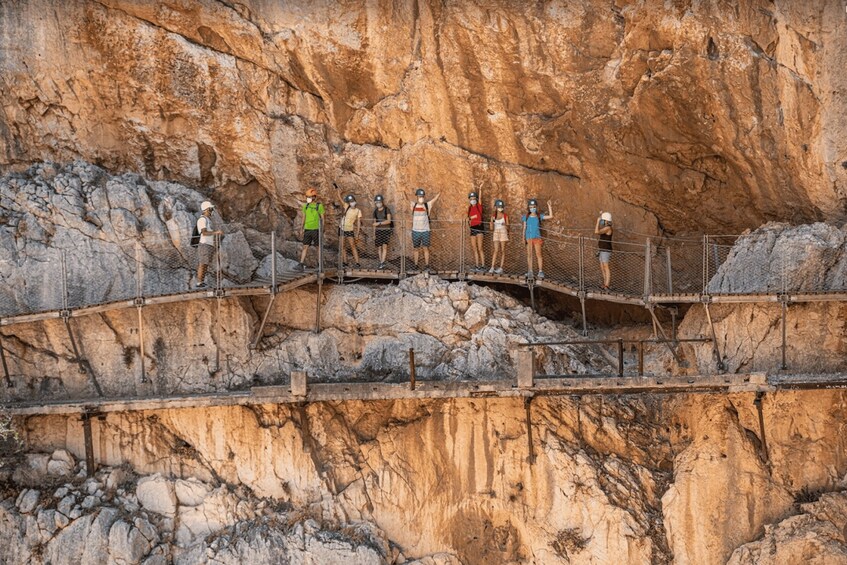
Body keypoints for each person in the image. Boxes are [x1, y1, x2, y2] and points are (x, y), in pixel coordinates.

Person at [522, 198, 554, 279]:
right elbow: (524, 228)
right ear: (528, 208)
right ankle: (530, 271)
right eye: (531, 207)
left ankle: (540, 271)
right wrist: (523, 238)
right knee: (529, 255)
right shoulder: (526, 216)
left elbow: (551, 216)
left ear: (536, 207)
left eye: (534, 206)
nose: (532, 208)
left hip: (537, 237)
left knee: (538, 254)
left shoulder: (539, 216)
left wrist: (549, 206)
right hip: (528, 237)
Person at [409, 188, 440, 272]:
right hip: (415, 230)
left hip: (425, 230)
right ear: (417, 197)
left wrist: (440, 192)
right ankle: (416, 265)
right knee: (416, 248)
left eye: (422, 196)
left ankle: (427, 265)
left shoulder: (427, 205)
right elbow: (406, 200)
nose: (421, 198)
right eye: (419, 196)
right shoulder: (414, 205)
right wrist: (403, 193)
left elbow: (434, 200)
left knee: (426, 248)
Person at [195, 200, 223, 288]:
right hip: (204, 244)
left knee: (205, 264)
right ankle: (199, 282)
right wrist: (216, 232)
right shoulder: (202, 220)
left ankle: (201, 281)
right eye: (211, 209)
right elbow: (204, 233)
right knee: (202, 263)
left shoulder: (207, 220)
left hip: (209, 245)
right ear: (206, 209)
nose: (212, 211)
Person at [297, 187, 325, 271]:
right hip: (307, 229)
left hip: (316, 229)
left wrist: (323, 228)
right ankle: (301, 264)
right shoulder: (305, 206)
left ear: (314, 197)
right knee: (305, 246)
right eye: (307, 197)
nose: (308, 198)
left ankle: (320, 264)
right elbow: (303, 217)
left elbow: (323, 218)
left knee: (318, 247)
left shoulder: (319, 206)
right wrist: (301, 228)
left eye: (309, 197)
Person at [336, 190, 362, 268]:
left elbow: (358, 222)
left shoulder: (358, 211)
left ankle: (357, 262)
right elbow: (339, 198)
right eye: (350, 201)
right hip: (342, 228)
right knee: (342, 246)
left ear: (355, 201)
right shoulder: (346, 207)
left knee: (352, 246)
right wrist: (338, 191)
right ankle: (345, 262)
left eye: (353, 201)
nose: (352, 202)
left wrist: (357, 233)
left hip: (350, 229)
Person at [372, 194, 393, 269]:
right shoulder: (375, 212)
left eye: (379, 202)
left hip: (386, 230)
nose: (378, 203)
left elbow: (389, 221)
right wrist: (374, 234)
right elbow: (374, 224)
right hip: (378, 231)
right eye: (377, 202)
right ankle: (381, 262)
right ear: (375, 203)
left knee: (384, 247)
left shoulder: (386, 209)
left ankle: (382, 262)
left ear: (382, 202)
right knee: (379, 247)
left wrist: (379, 223)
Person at [488, 199, 509, 274]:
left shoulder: (505, 216)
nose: (500, 208)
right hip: (496, 232)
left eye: (501, 206)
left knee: (502, 250)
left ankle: (501, 268)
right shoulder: (493, 216)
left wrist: (505, 225)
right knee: (496, 250)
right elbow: (491, 228)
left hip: (503, 232)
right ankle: (492, 267)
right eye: (498, 206)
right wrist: (491, 223)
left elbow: (508, 227)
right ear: (496, 207)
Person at [467, 191, 485, 271]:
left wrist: (480, 189)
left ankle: (483, 265)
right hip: (472, 228)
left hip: (479, 227)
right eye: (471, 199)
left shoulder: (479, 206)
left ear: (476, 199)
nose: (472, 200)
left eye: (474, 198)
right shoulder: (469, 208)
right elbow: (468, 218)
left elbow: (480, 198)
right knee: (474, 248)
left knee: (480, 247)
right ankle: (477, 265)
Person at [595, 211, 613, 289]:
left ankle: (607, 285)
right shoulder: (605, 228)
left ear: (606, 221)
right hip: (602, 249)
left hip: (606, 250)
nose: (602, 221)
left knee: (606, 266)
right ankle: (605, 283)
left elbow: (596, 232)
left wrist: (597, 222)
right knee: (602, 266)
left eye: (603, 220)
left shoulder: (608, 228)